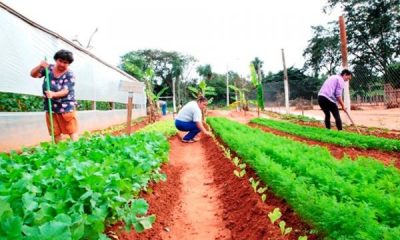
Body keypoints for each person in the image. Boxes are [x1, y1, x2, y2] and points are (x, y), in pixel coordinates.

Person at [30, 49, 78, 142]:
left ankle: (77, 149)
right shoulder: (48, 68)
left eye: (65, 62)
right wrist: (40, 66)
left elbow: (65, 91)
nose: (62, 64)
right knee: (55, 131)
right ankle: (59, 151)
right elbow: (33, 74)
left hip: (66, 106)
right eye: (60, 61)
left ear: (69, 64)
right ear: (56, 60)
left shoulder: (70, 74)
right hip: (50, 104)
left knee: (71, 129)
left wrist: (53, 94)